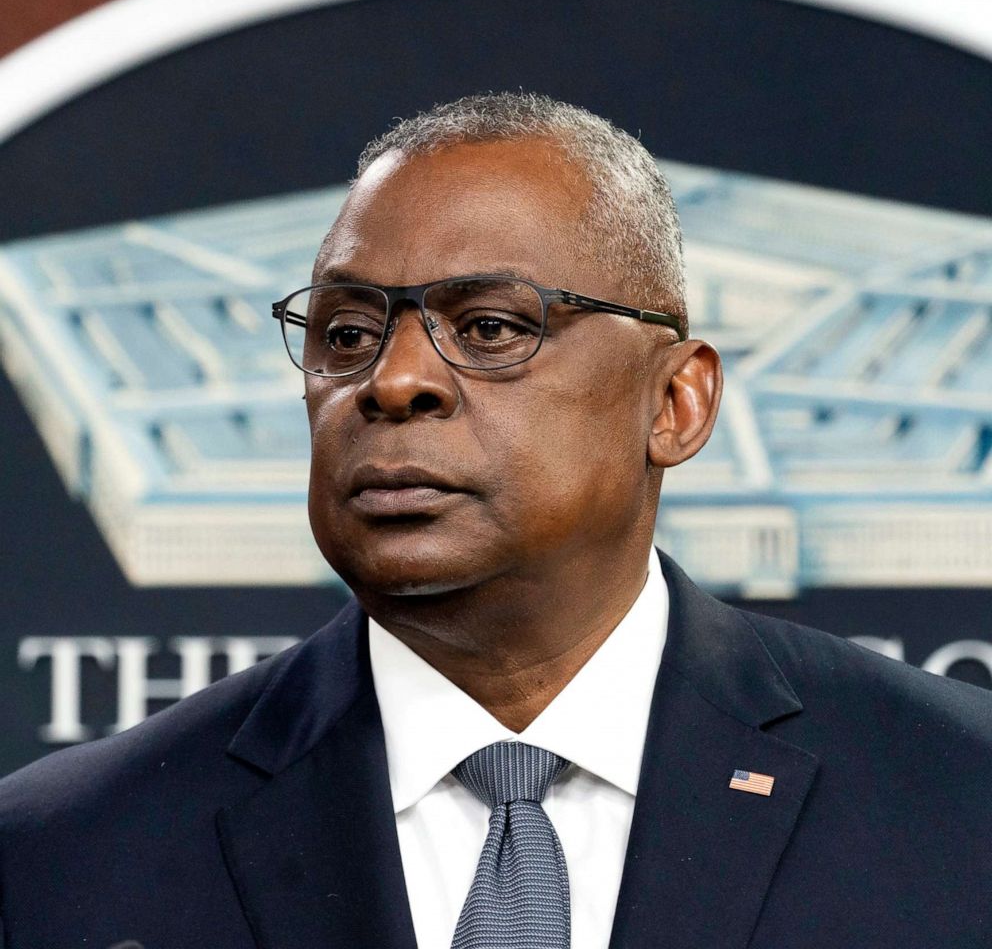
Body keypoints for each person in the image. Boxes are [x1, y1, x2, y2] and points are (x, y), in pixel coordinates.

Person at [1, 92, 990, 949]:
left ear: (674, 403)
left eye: (488, 327)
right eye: (344, 333)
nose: (389, 380)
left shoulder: (956, 798)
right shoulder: (66, 851)